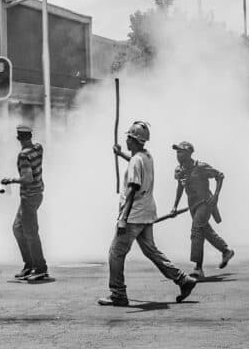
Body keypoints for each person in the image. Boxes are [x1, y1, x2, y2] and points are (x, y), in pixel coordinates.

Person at [98, 121, 196, 307]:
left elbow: (133, 188)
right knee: (151, 250)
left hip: (134, 215)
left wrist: (123, 218)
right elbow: (136, 163)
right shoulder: (146, 156)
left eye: (129, 137)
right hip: (147, 212)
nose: (126, 140)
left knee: (115, 253)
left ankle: (118, 294)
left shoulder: (137, 160)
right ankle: (183, 280)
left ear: (134, 140)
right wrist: (120, 154)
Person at [169, 141, 234, 279]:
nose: (178, 155)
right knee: (205, 231)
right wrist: (174, 206)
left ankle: (198, 269)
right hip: (193, 205)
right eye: (177, 152)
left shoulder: (201, 167)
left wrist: (216, 196)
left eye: (181, 152)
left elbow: (220, 176)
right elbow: (180, 187)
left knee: (196, 231)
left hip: (205, 203)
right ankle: (226, 250)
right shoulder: (179, 170)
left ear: (189, 153)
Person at [0, 125, 49, 282]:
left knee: (30, 233)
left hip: (29, 197)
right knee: (18, 228)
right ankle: (30, 264)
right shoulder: (38, 148)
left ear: (18, 138)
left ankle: (40, 268)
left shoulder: (23, 155)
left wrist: (10, 180)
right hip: (37, 195)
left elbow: (28, 178)